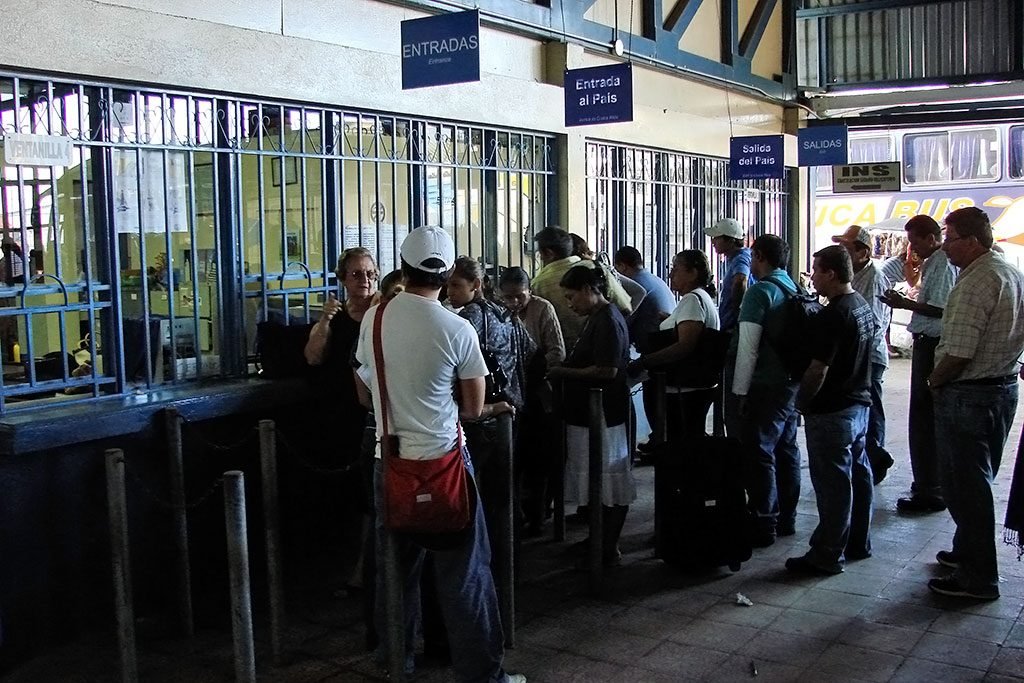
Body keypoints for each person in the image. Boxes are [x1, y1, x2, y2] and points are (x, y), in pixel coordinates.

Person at [353, 226, 524, 683]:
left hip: (389, 463)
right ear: (447, 275)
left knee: (396, 574)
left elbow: (364, 394)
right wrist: (490, 406)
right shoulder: (457, 328)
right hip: (446, 465)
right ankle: (483, 676)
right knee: (466, 576)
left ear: (403, 269)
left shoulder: (377, 317)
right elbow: (471, 408)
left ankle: (395, 663)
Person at [925, 207, 1024, 600]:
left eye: (948, 239)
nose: (944, 247)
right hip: (1001, 390)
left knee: (966, 489)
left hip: (970, 394)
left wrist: (934, 380)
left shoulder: (975, 282)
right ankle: (966, 552)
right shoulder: (1009, 271)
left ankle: (978, 577)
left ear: (970, 241)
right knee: (977, 481)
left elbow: (960, 353)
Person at [785, 246, 875, 576]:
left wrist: (803, 403)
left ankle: (827, 554)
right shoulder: (861, 305)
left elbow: (817, 370)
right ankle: (858, 541)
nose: (813, 278)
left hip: (833, 410)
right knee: (858, 475)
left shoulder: (833, 315)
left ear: (831, 274)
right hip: (858, 405)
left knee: (833, 485)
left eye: (816, 271)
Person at [547, 265, 634, 566]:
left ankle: (607, 547)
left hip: (603, 415)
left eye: (572, 297)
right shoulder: (598, 318)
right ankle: (598, 541)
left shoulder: (608, 320)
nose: (570, 304)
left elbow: (606, 370)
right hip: (589, 415)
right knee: (597, 484)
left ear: (588, 289)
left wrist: (562, 371)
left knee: (609, 483)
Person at [879, 215, 956, 513]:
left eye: (914, 242)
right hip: (925, 341)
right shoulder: (934, 262)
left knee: (925, 417)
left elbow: (941, 309)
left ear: (931, 238)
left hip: (932, 342)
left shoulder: (941, 263)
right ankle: (926, 482)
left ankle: (931, 487)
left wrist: (905, 304)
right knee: (921, 415)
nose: (911, 249)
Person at [730, 234, 802, 546]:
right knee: (787, 449)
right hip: (791, 383)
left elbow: (748, 347)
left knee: (759, 452)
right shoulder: (793, 287)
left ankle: (763, 520)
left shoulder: (760, 293)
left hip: (765, 384)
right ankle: (786, 517)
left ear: (759, 256)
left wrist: (740, 392)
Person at [498, 267, 565, 535]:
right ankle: (515, 516)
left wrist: (530, 371)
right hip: (509, 398)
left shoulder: (543, 309)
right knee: (514, 461)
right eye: (508, 298)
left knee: (538, 459)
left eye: (520, 297)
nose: (514, 303)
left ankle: (538, 514)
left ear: (530, 292)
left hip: (538, 395)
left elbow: (557, 351)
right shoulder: (496, 314)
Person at [630, 250, 720, 441]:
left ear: (693, 273)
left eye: (676, 269)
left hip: (684, 389)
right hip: (693, 388)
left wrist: (645, 361)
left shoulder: (692, 300)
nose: (671, 275)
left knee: (679, 443)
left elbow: (685, 345)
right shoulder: (699, 298)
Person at [832, 225, 894, 485]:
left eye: (846, 248)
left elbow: (872, 324)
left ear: (863, 251)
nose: (842, 252)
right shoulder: (854, 275)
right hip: (856, 356)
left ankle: (875, 458)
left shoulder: (874, 278)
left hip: (870, 356)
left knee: (872, 410)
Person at [530, 226, 631, 350]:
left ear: (549, 253)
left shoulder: (539, 284)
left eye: (540, 254)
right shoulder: (595, 267)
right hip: (608, 346)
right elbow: (626, 307)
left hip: (568, 352)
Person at [704, 218, 753, 332]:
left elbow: (740, 280)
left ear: (731, 240)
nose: (713, 242)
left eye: (717, 238)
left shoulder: (740, 258)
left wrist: (737, 310)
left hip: (734, 326)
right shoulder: (735, 258)